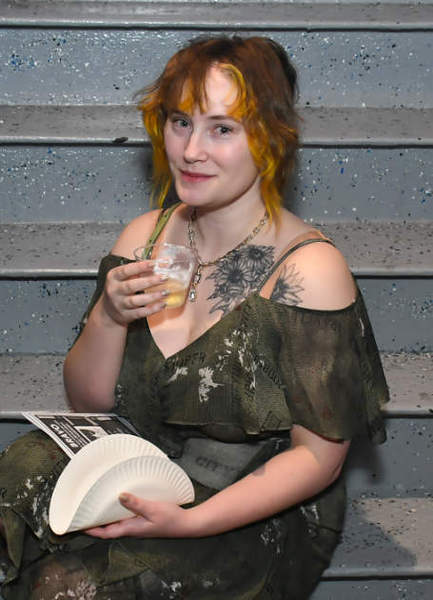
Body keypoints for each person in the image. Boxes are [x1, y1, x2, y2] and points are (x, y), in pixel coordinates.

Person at [0, 36, 389, 599]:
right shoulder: (144, 237)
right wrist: (108, 317)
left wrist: (189, 522)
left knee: (66, 586)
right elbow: (88, 407)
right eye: (181, 122)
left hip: (247, 503)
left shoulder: (308, 271)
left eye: (222, 129)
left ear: (271, 138)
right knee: (13, 490)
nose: (191, 150)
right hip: (141, 463)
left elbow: (318, 459)